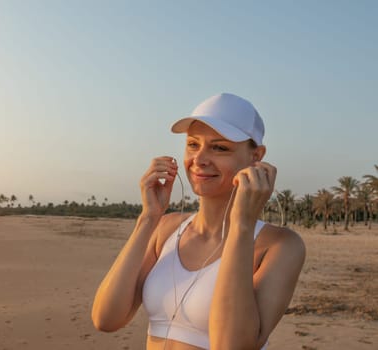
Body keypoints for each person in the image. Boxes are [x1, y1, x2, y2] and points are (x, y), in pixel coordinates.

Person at [91, 93, 306, 350]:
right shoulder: (166, 229)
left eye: (220, 147)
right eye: (193, 145)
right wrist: (148, 218)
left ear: (256, 156)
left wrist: (242, 225)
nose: (200, 159)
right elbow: (106, 318)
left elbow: (231, 346)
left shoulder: (280, 245)